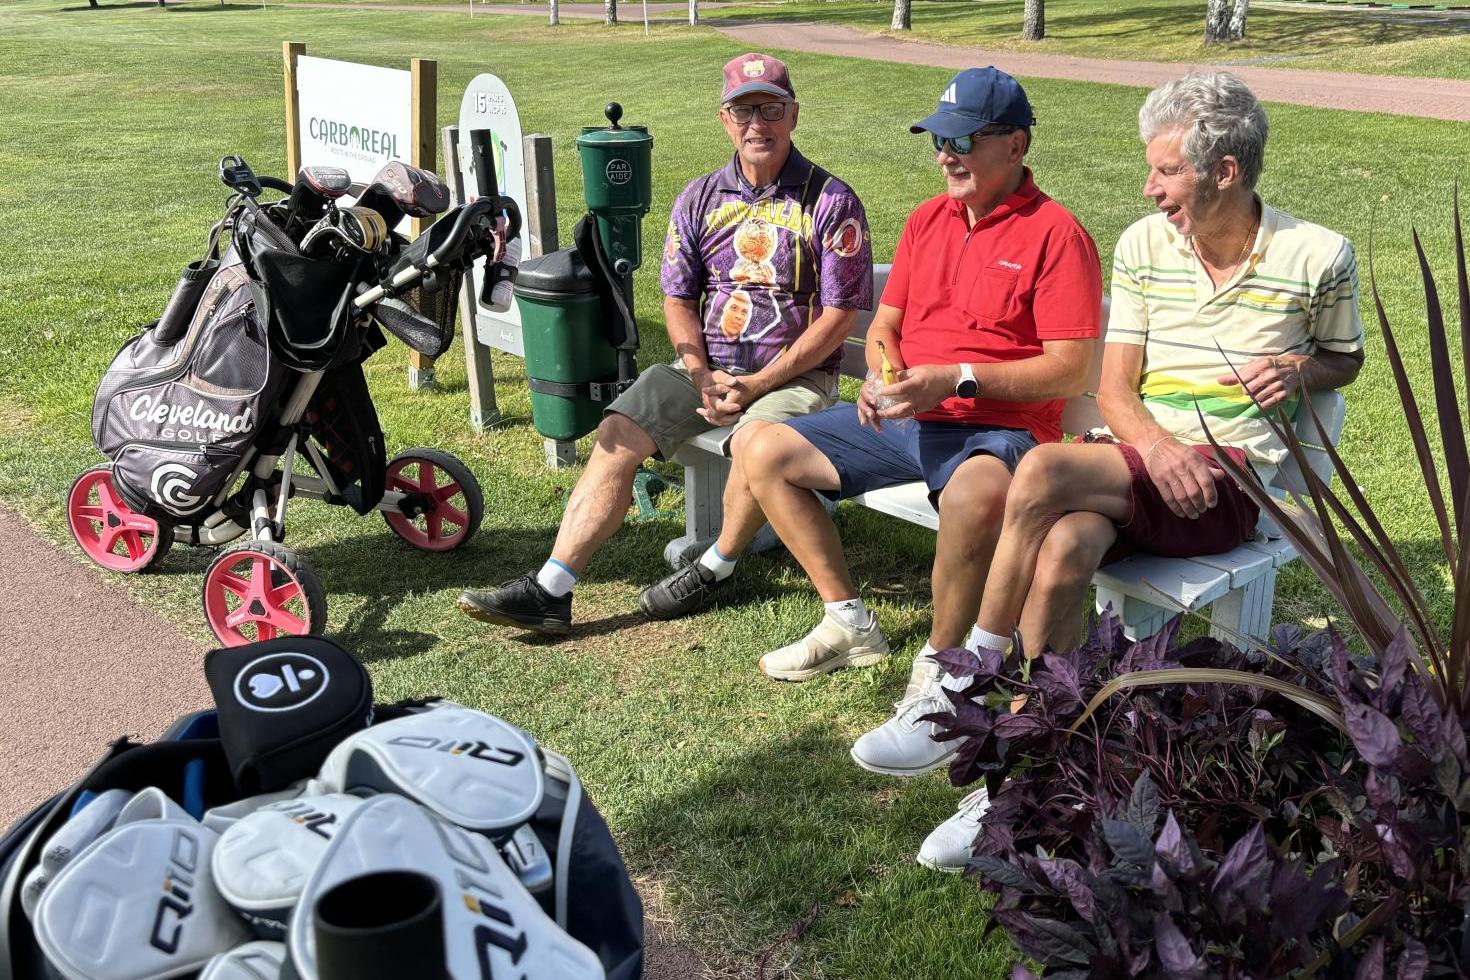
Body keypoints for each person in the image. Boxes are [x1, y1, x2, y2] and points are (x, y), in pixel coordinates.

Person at [914, 71, 1366, 873]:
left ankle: (969, 678)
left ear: (1224, 172)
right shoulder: (1141, 245)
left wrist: (1302, 367)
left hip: (1241, 481)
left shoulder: (1318, 255)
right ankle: (1022, 773)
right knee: (1063, 551)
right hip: (1149, 465)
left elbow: (1346, 358)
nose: (1148, 187)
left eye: (1165, 171)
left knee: (1047, 472)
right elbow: (1116, 389)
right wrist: (1156, 447)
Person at [742, 69, 1102, 754]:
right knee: (762, 450)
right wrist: (885, 375)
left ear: (1016, 144)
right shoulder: (927, 219)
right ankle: (849, 620)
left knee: (973, 499)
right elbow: (887, 327)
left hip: (1000, 429)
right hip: (908, 418)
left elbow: (1070, 370)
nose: (945, 154)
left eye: (963, 138)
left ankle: (939, 674)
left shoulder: (1058, 236)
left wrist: (957, 383)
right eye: (938, 138)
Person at [457, 53, 873, 635]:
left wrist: (757, 384)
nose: (758, 123)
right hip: (710, 368)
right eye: (743, 109)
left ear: (793, 115)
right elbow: (677, 298)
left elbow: (838, 317)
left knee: (757, 440)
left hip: (796, 378)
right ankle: (552, 587)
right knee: (619, 427)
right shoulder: (699, 197)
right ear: (724, 119)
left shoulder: (830, 201)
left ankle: (715, 565)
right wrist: (699, 372)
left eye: (771, 108)